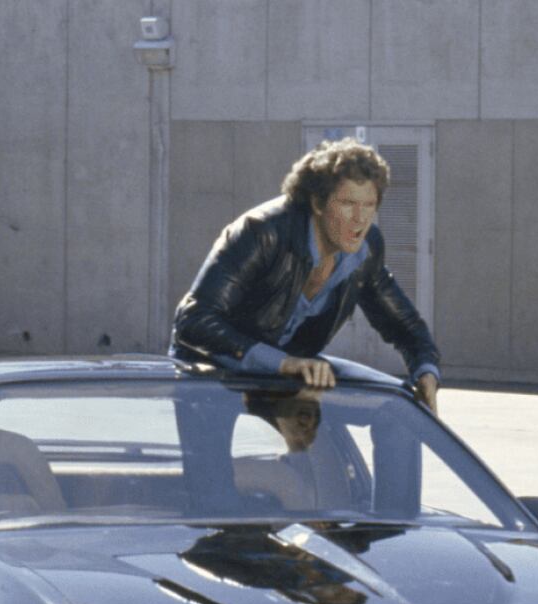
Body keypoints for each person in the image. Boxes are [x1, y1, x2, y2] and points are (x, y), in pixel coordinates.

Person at [170, 139, 441, 415]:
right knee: (212, 447)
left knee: (399, 405)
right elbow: (193, 321)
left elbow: (405, 326)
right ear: (318, 203)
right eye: (348, 204)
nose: (360, 219)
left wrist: (426, 371)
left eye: (369, 205)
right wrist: (281, 363)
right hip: (215, 368)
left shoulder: (366, 248)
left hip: (294, 371)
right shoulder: (263, 231)